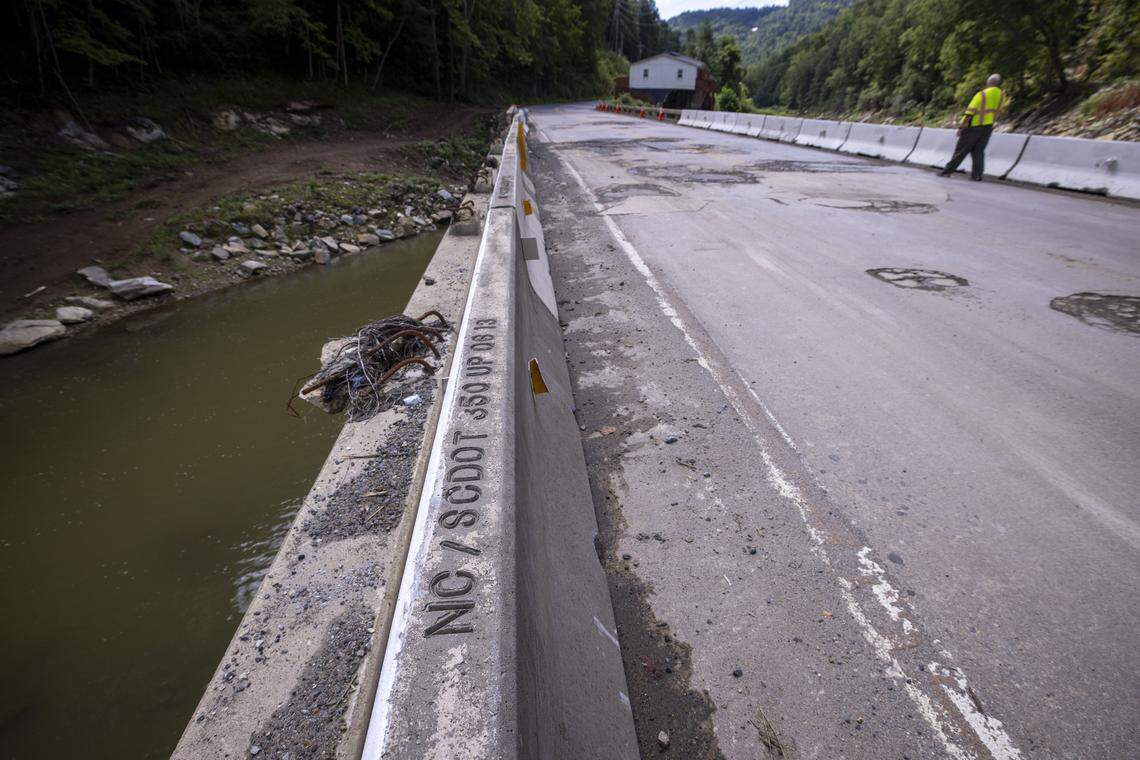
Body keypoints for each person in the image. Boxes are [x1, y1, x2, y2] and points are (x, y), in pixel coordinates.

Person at [940, 74, 1007, 181]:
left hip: (974, 126)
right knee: (978, 151)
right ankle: (977, 175)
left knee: (961, 150)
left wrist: (961, 127)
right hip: (988, 127)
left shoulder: (982, 94)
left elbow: (970, 112)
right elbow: (999, 111)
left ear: (990, 82)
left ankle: (947, 172)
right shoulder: (1001, 96)